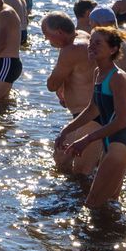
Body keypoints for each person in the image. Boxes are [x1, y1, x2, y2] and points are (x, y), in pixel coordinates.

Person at [63, 26, 126, 208]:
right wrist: (66, 131)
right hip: (110, 145)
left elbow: (121, 121)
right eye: (91, 42)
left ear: (112, 50)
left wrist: (86, 140)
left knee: (92, 204)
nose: (91, 47)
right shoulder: (98, 73)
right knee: (110, 203)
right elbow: (92, 110)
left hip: (121, 146)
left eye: (98, 43)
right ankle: (116, 235)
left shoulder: (118, 77)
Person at [40, 13, 96, 173]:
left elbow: (52, 84)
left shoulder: (71, 49)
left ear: (59, 33)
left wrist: (58, 84)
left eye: (47, 35)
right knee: (61, 160)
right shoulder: (84, 36)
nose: (46, 40)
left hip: (88, 116)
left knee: (74, 167)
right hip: (89, 113)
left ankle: (79, 196)